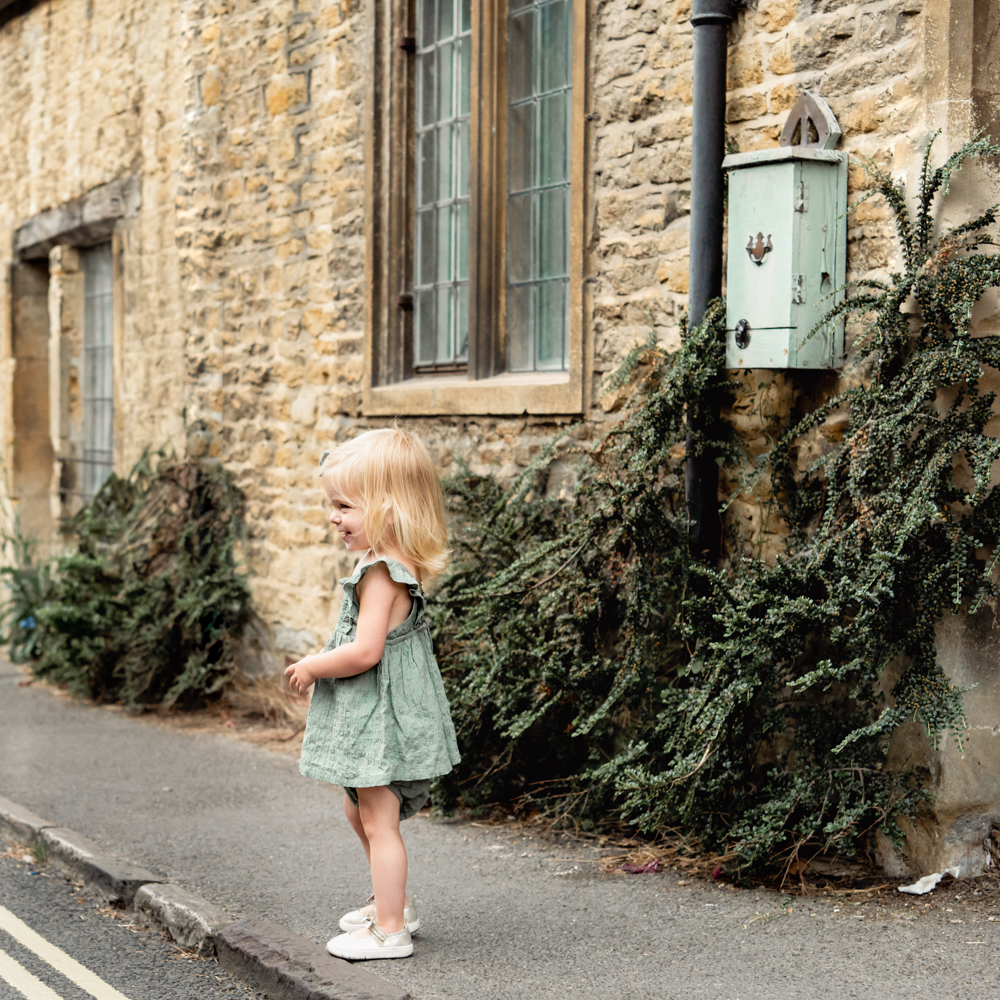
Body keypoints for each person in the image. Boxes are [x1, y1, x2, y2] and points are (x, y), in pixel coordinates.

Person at [284, 428, 461, 960]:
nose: (333, 517)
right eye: (331, 504)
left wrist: (314, 665)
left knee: (379, 821)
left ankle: (391, 929)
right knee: (355, 809)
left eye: (344, 505)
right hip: (376, 712)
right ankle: (393, 902)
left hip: (381, 718)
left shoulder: (381, 574)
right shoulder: (378, 564)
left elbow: (365, 652)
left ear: (388, 506)